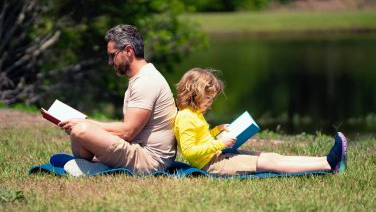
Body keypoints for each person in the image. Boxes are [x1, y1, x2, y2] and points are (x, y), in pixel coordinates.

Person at [174, 68, 347, 176]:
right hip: (212, 165)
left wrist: (216, 131)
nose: (210, 103)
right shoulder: (185, 118)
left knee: (272, 156)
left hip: (218, 155)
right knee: (271, 164)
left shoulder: (195, 113)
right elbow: (189, 152)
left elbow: (200, 139)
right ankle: (329, 164)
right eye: (208, 98)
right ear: (193, 93)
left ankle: (325, 160)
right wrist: (219, 144)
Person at [59, 24, 177, 174]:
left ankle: (98, 167)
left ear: (128, 51)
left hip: (148, 160)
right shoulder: (141, 77)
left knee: (81, 130)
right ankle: (96, 165)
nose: (110, 62)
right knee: (79, 132)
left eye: (112, 55)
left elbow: (128, 131)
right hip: (137, 150)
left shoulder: (146, 81)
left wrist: (85, 123)